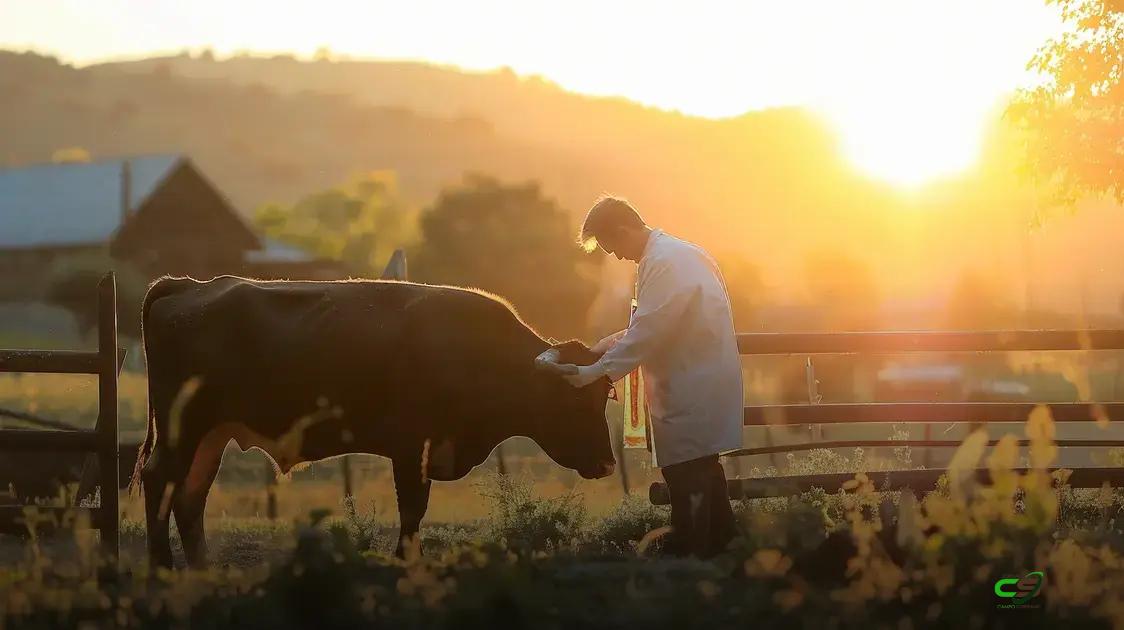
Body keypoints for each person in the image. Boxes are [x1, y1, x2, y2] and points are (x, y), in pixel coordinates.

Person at [559, 195, 743, 557]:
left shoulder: (662, 263)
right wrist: (608, 344)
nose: (617, 256)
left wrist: (593, 372)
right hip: (699, 379)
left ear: (623, 229)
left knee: (686, 474)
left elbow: (648, 331)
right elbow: (653, 323)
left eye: (613, 246)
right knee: (705, 469)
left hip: (689, 384)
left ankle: (689, 558)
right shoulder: (683, 253)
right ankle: (728, 551)